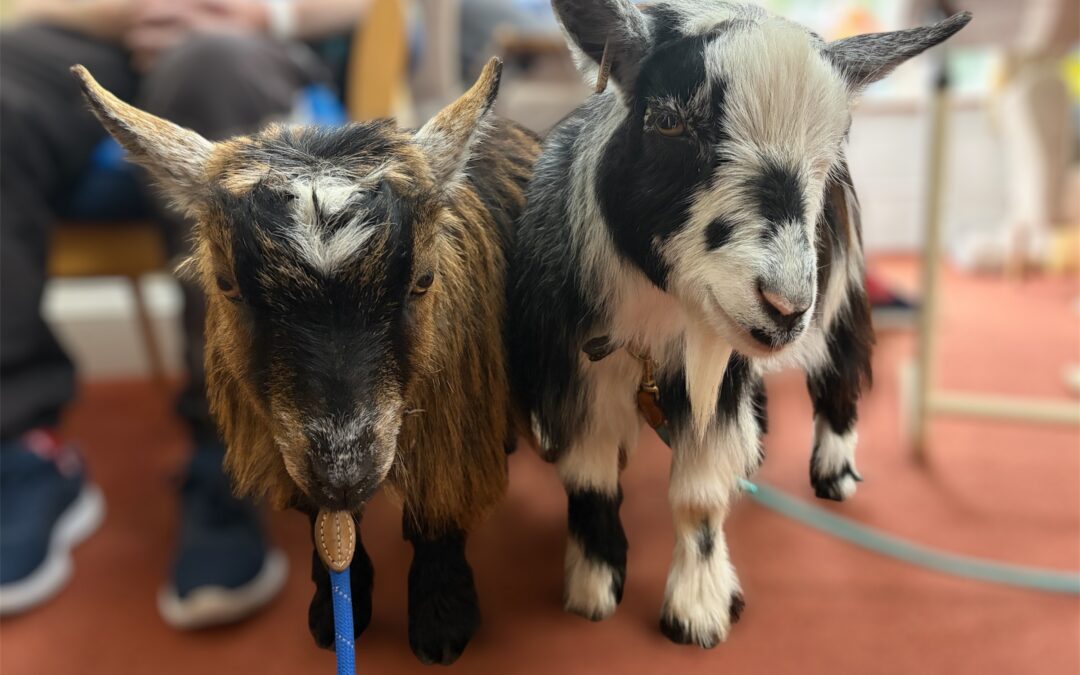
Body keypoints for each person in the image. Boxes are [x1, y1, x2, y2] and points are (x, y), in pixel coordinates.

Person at [0, 0, 369, 627]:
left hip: (250, 49)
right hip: (100, 43)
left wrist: (266, 15)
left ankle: (224, 455)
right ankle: (23, 450)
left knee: (209, 67)